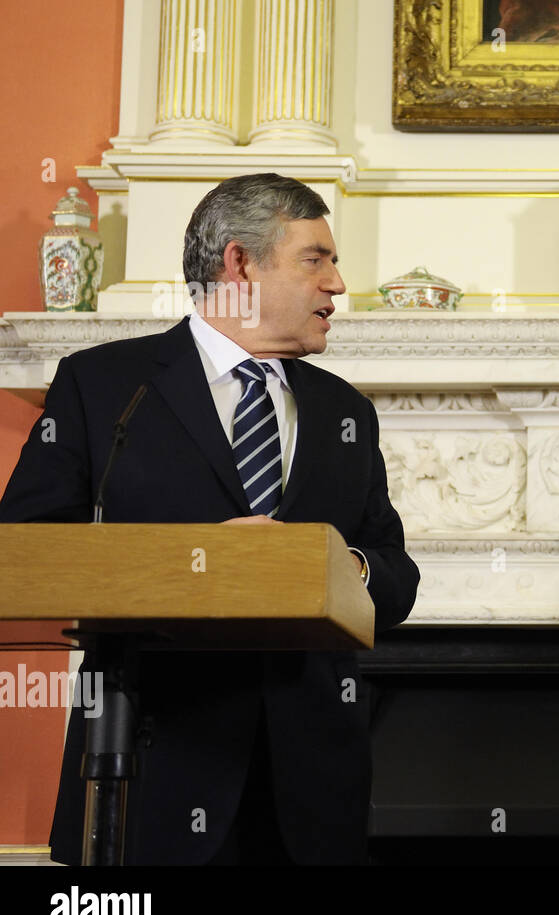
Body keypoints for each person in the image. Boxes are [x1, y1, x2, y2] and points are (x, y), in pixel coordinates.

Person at [0, 173, 420, 864]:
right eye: (317, 259)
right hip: (152, 770)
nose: (338, 285)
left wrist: (344, 567)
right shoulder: (105, 387)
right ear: (240, 264)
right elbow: (27, 551)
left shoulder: (346, 411)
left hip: (309, 793)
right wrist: (193, 563)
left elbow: (396, 576)